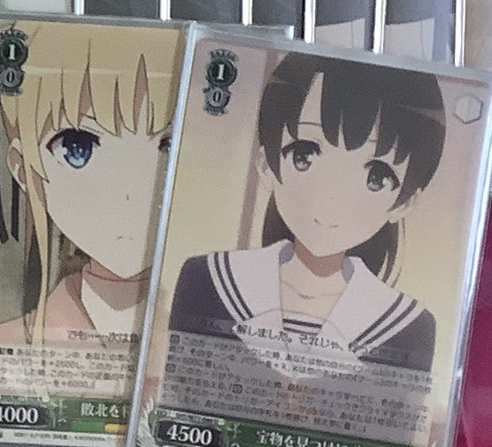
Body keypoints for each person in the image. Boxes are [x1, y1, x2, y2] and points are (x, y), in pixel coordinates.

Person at [170, 51, 444, 372]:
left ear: (404, 203)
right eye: (305, 155)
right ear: (266, 165)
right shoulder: (207, 280)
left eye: (377, 177)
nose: (332, 196)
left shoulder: (409, 327)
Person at [0, 20, 175, 371]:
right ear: (22, 167)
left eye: (168, 145)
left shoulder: (232, 351)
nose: (128, 191)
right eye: (78, 147)